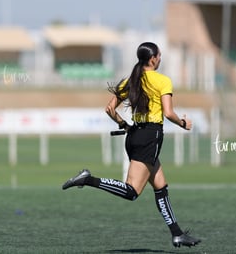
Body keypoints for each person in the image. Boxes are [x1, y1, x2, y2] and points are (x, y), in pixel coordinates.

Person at [62, 42, 201, 248]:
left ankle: (177, 234)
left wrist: (124, 125)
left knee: (160, 186)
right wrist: (183, 123)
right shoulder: (162, 80)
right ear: (152, 59)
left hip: (135, 134)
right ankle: (89, 179)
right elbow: (169, 112)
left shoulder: (131, 80)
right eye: (159, 56)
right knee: (132, 192)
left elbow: (109, 108)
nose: (160, 59)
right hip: (150, 136)